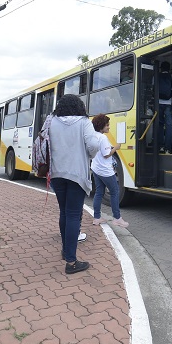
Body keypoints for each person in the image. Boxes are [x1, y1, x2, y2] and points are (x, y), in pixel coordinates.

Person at [48, 94, 99, 275]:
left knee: (64, 212)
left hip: (56, 173)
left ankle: (66, 250)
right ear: (79, 106)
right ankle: (71, 262)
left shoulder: (51, 120)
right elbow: (93, 145)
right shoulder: (84, 122)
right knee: (73, 215)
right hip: (76, 174)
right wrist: (89, 155)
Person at [90, 114, 128, 227]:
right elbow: (107, 155)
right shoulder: (103, 138)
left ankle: (97, 218)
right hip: (105, 170)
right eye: (107, 125)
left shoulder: (94, 136)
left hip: (96, 168)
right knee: (115, 192)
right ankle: (117, 218)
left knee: (99, 192)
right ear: (101, 126)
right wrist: (116, 148)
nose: (109, 127)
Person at [158, 61, 172, 154]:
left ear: (161, 68)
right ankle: (168, 148)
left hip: (158, 103)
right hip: (169, 103)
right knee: (169, 126)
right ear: (169, 69)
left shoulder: (156, 76)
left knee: (159, 125)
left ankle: (161, 146)